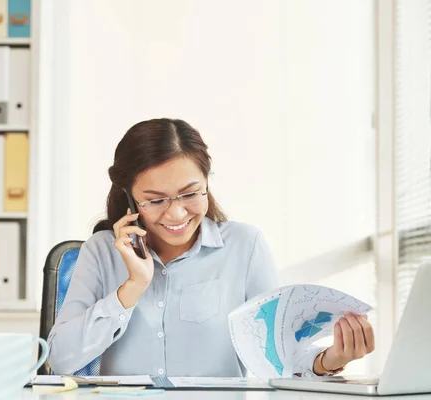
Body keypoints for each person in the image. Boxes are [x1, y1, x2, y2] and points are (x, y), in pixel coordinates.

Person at [46, 118, 375, 378]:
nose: (176, 214)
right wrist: (132, 288)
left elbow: (282, 357)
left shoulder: (245, 247)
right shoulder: (100, 252)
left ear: (207, 183)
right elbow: (60, 359)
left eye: (190, 194)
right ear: (130, 197)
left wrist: (331, 360)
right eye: (156, 200)